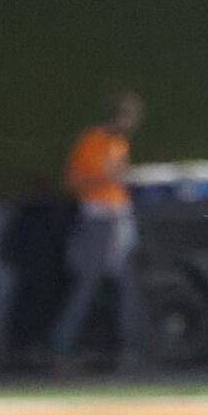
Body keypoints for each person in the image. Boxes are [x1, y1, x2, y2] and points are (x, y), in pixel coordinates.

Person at [43, 92, 141, 369]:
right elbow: (73, 181)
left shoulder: (118, 143)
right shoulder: (93, 141)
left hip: (118, 218)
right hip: (97, 219)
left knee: (125, 285)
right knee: (88, 284)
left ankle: (128, 346)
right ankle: (60, 346)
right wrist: (106, 177)